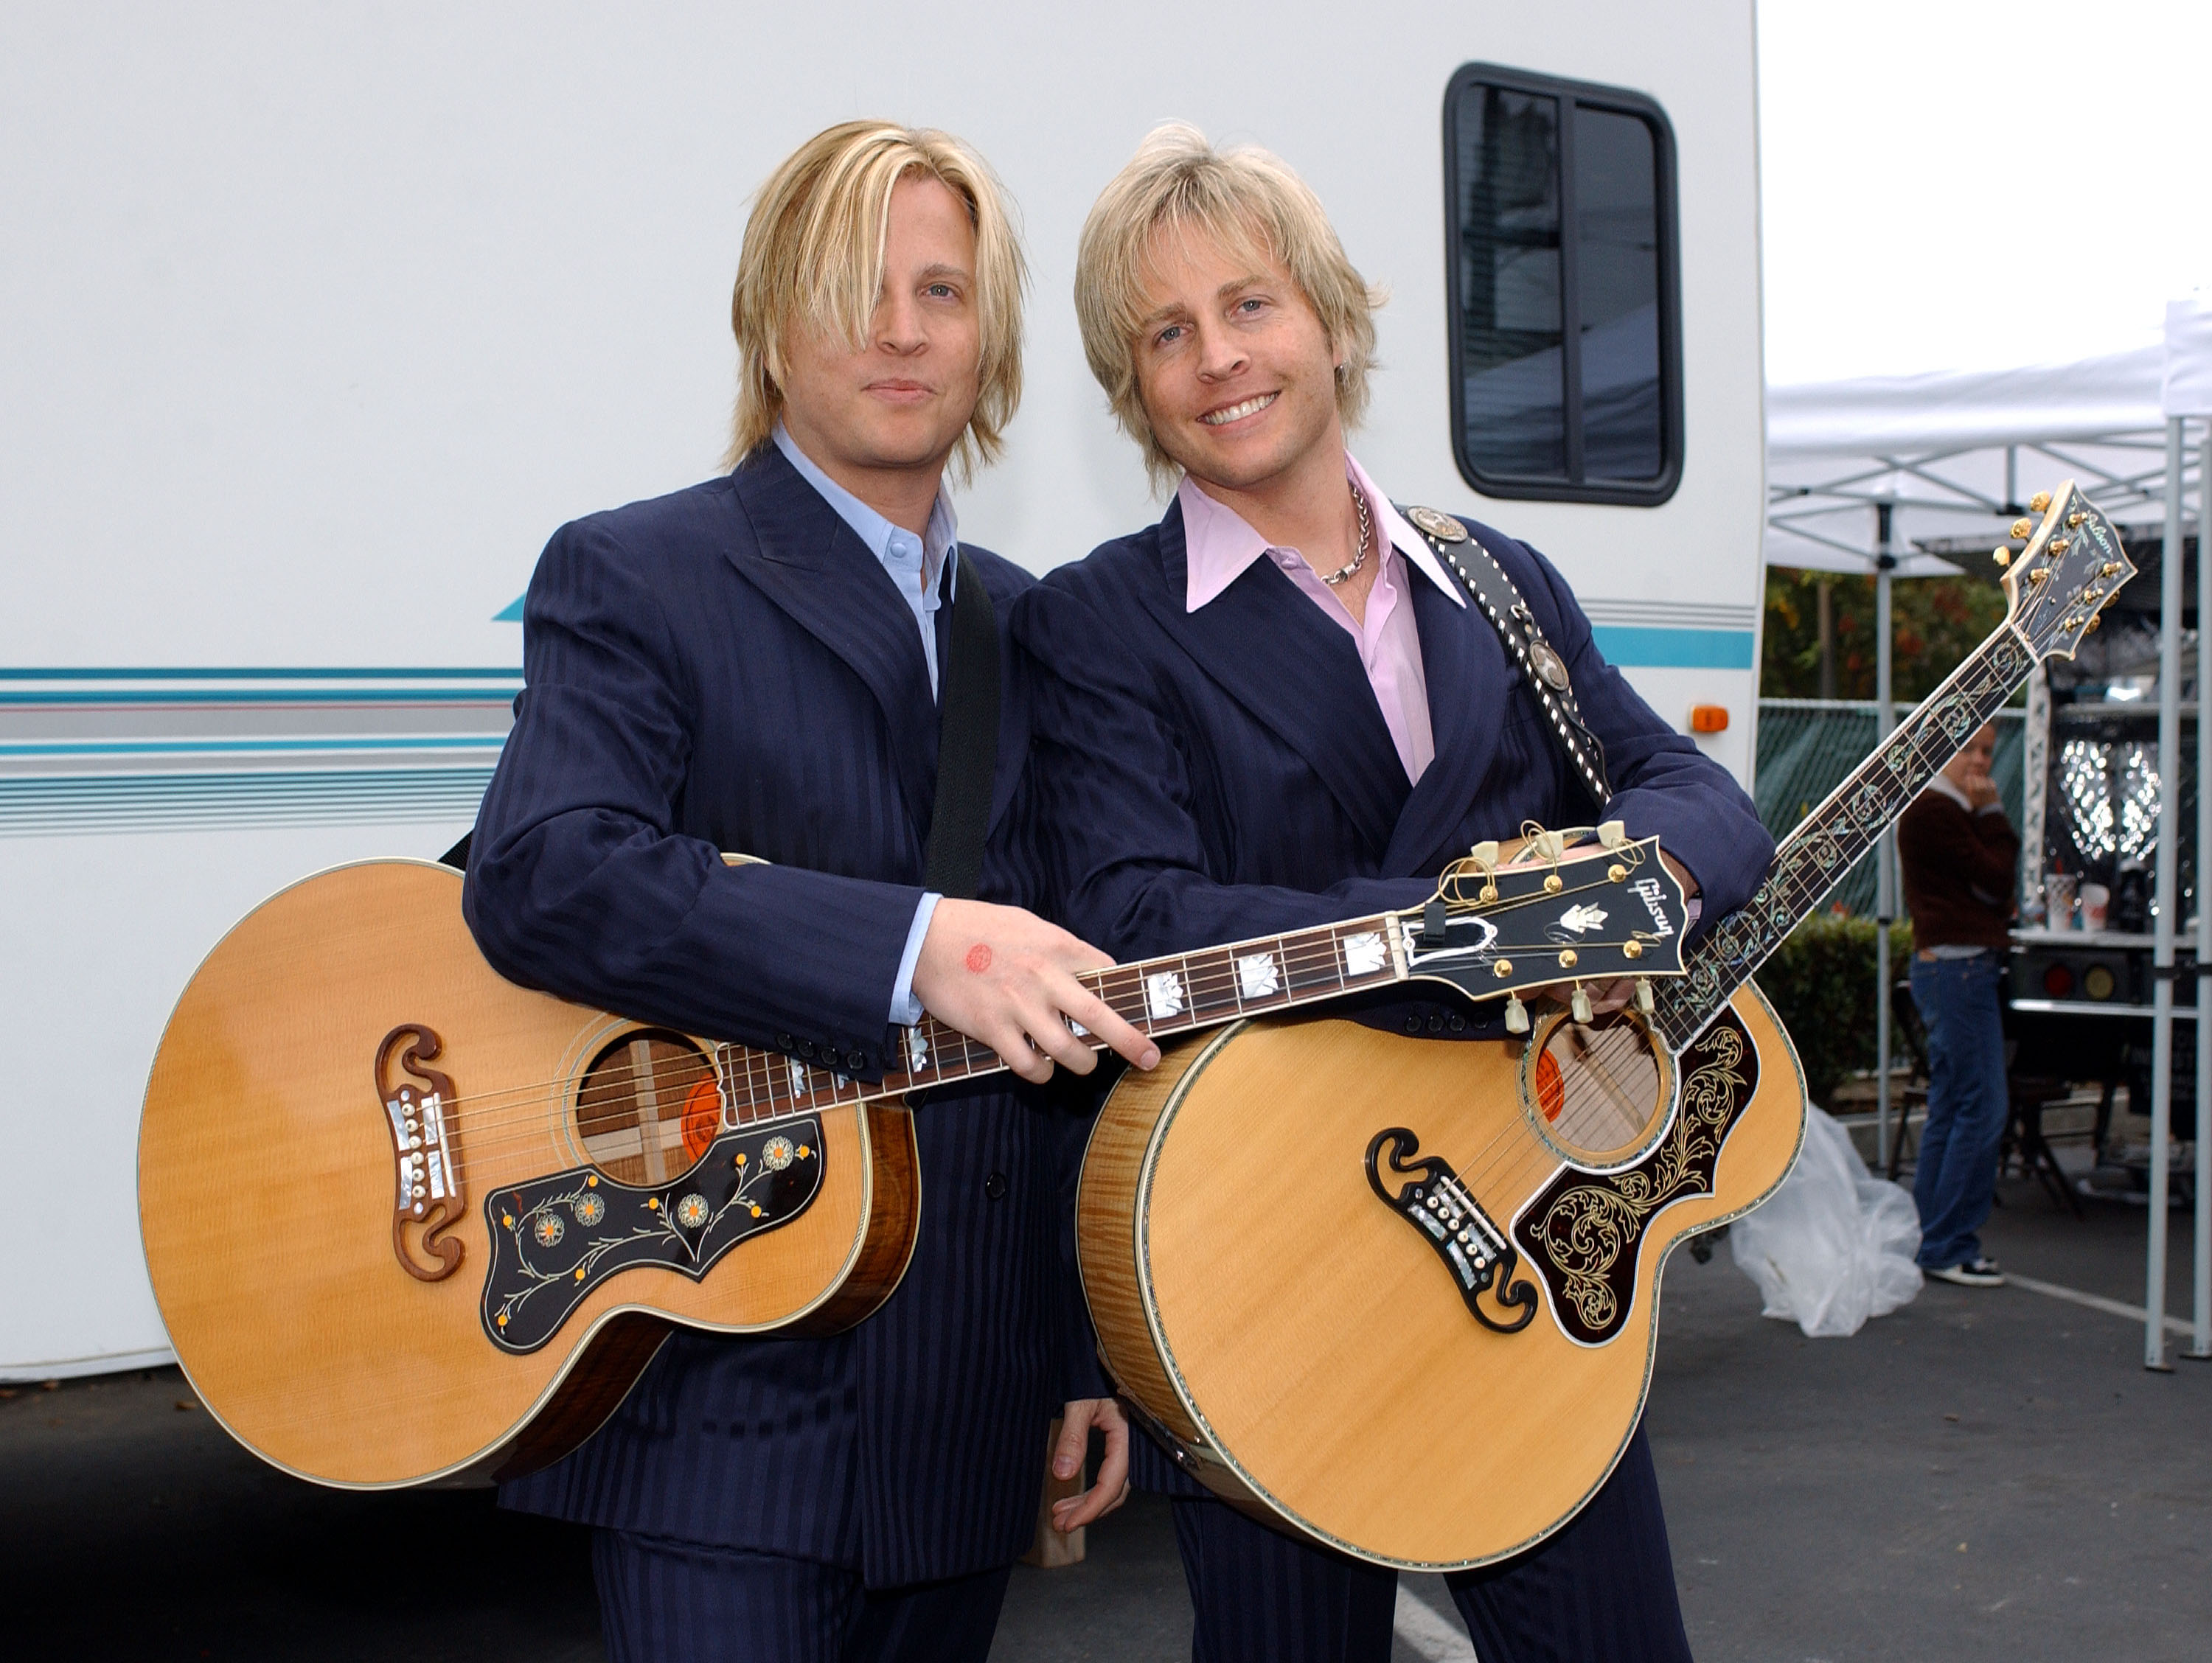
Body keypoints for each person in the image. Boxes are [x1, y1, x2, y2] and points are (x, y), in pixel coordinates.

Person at [1012, 124, 1775, 1663]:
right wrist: (1467, 936)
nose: (1218, 358)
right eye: (1164, 333)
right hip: (1270, 1259)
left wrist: (1638, 879)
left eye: (1250, 305)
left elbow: (1698, 798)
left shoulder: (1495, 579)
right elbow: (1134, 919)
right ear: (1131, 386)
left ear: (1335, 324)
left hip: (1527, 1237)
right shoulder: (1100, 624)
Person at [462, 120, 1150, 1663]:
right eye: (857, 289)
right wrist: (916, 944)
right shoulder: (637, 574)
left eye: (944, 292)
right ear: (771, 321)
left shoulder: (1028, 629)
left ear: (994, 340)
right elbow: (543, 877)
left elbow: (1060, 1033)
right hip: (720, 1421)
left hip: (970, 1421)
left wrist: (1080, 1349)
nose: (903, 332)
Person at [1898, 721, 2019, 1288]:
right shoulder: (1938, 811)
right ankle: (1948, 1242)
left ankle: (1934, 1235)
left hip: (1953, 966)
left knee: (1954, 1104)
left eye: (1988, 751)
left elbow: (1991, 883)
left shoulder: (1940, 810)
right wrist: (1992, 813)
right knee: (1981, 1106)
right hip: (1959, 967)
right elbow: (1997, 879)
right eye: (1968, 748)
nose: (1979, 762)